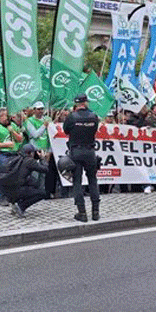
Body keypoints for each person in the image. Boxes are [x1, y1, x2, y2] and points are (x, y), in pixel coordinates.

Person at [63, 94, 100, 222]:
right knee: (92, 180)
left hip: (76, 151)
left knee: (77, 181)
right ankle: (96, 212)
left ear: (76, 104)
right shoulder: (94, 116)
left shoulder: (71, 117)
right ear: (85, 103)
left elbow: (66, 131)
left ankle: (82, 212)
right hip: (90, 151)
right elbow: (95, 130)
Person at [0, 108, 22, 205]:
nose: (5, 118)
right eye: (2, 116)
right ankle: (2, 197)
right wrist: (6, 145)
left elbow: (20, 139)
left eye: (6, 116)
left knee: (15, 175)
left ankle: (13, 197)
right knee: (5, 175)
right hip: (3, 154)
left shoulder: (13, 126)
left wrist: (13, 132)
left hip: (14, 153)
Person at [7, 144, 50, 218]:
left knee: (33, 183)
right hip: (19, 190)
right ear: (31, 153)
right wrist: (42, 158)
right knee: (43, 193)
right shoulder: (29, 161)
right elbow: (45, 170)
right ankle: (21, 207)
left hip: (8, 191)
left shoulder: (16, 158)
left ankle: (14, 203)